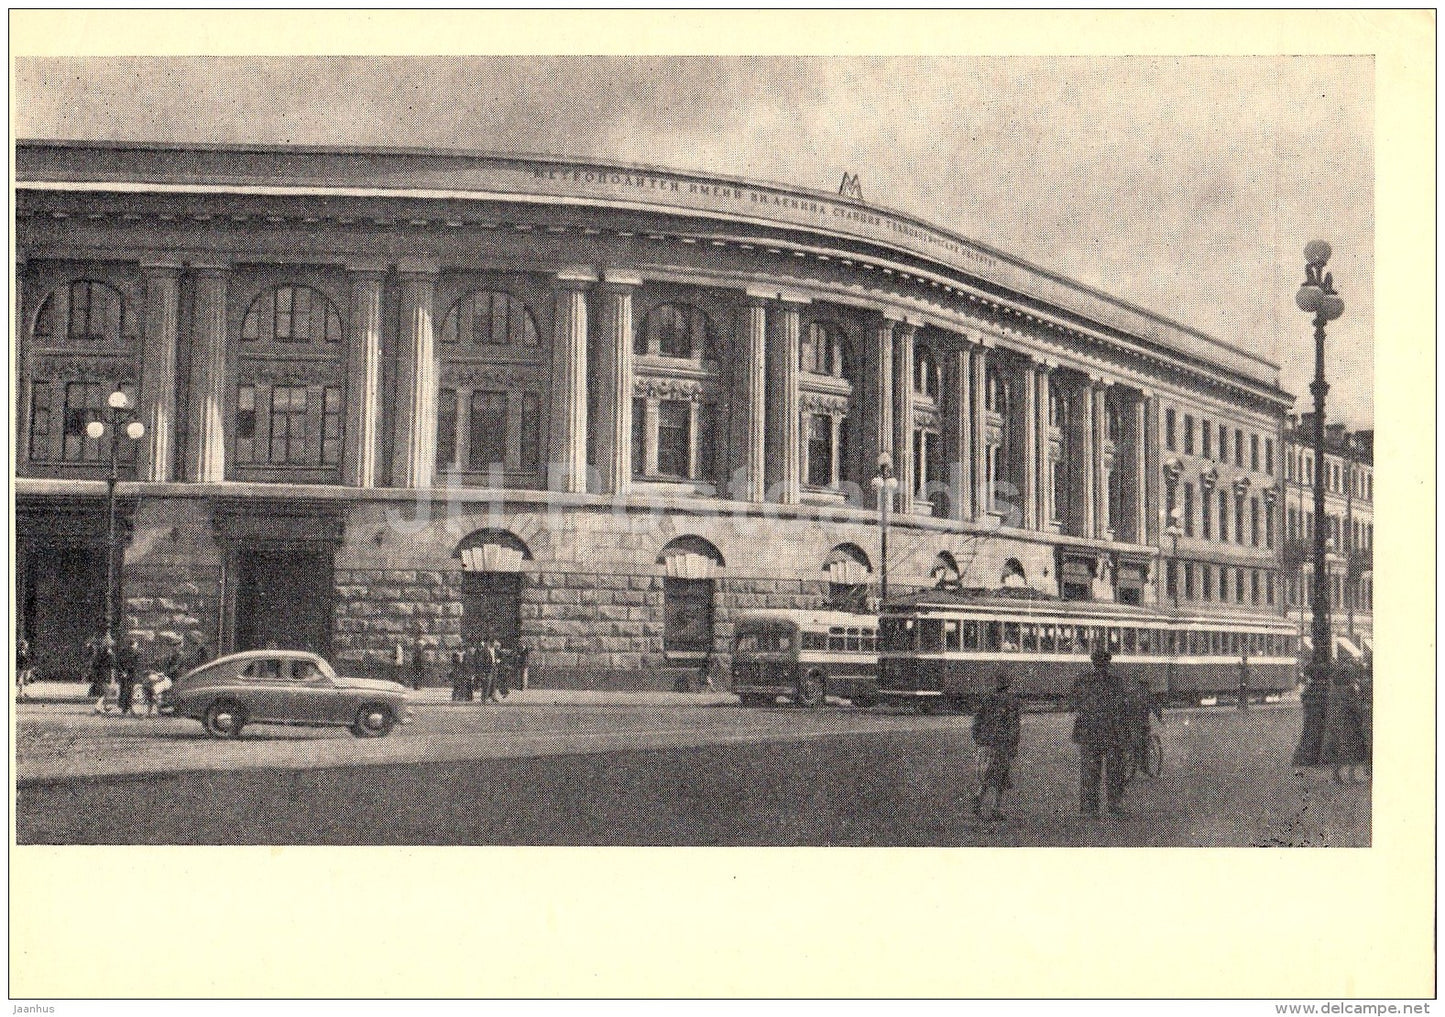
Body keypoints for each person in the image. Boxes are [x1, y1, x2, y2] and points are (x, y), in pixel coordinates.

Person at [1070, 647, 1130, 817]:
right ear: (1108, 664)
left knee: (1089, 771)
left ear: (1093, 663)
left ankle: (1089, 808)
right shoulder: (1116, 682)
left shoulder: (1082, 681)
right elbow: (1123, 707)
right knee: (1115, 772)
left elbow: (1073, 704)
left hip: (1089, 732)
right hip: (1112, 732)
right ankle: (1115, 805)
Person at [971, 672, 1022, 819]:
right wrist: (1014, 744)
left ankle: (981, 798)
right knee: (1001, 775)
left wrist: (977, 738)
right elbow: (1014, 726)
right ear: (1008, 685)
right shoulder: (1012, 702)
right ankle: (995, 808)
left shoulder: (986, 700)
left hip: (985, 743)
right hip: (1002, 744)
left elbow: (976, 721)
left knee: (989, 773)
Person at [1126, 677, 1164, 778]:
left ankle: (1132, 760)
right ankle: (1144, 766)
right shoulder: (1148, 695)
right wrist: (1160, 719)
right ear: (1146, 686)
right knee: (1145, 743)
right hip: (1142, 724)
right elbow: (1156, 708)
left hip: (1129, 723)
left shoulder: (1131, 694)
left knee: (1132, 741)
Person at [88, 632, 116, 714]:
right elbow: (112, 667)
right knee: (105, 692)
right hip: (106, 674)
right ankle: (98, 706)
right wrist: (113, 678)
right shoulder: (110, 655)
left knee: (105, 691)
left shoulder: (100, 653)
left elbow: (95, 663)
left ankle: (105, 706)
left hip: (99, 674)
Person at [115, 636, 141, 716]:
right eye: (136, 643)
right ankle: (127, 709)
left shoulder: (123, 651)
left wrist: (122, 672)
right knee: (129, 691)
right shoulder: (135, 652)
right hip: (130, 674)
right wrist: (127, 671)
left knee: (123, 690)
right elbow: (133, 664)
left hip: (123, 674)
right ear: (134, 644)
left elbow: (118, 662)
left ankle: (124, 709)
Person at [16, 636, 33, 701]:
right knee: (20, 681)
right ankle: (20, 693)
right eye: (24, 645)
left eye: (26, 645)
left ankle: (25, 692)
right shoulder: (18, 652)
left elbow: (29, 660)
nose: (26, 646)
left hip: (26, 668)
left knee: (26, 681)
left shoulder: (27, 652)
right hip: (20, 668)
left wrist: (30, 668)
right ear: (21, 646)